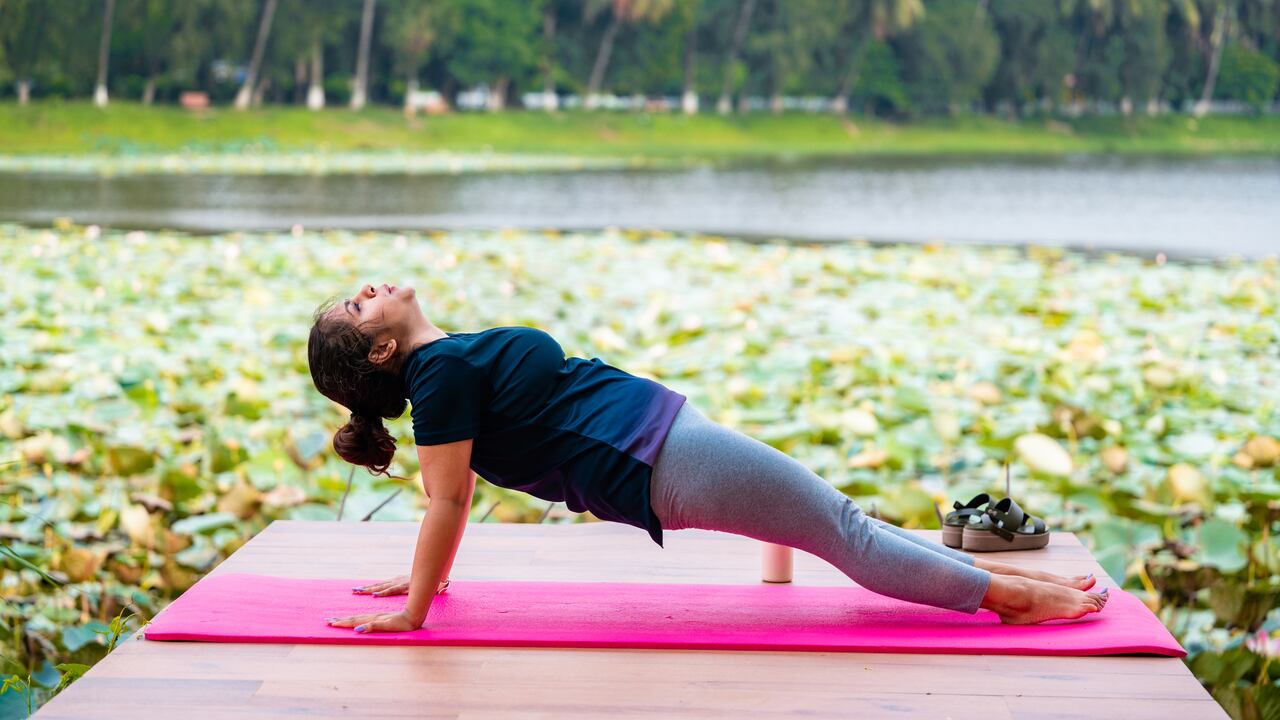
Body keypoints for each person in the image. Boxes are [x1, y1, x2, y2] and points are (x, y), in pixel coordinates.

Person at [307, 283, 1108, 634]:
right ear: (379, 349)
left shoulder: (450, 363)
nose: (368, 289)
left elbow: (461, 483)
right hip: (660, 459)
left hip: (662, 442)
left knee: (841, 523)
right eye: (357, 305)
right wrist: (415, 607)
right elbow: (447, 496)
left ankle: (1015, 586)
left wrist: (431, 580)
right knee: (845, 533)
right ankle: (1012, 599)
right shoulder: (440, 373)